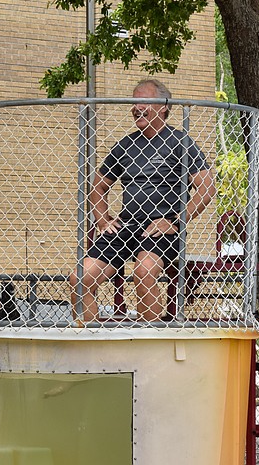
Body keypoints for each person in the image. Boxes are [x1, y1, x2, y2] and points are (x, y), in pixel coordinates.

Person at [71, 79, 215, 322]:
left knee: (144, 271)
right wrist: (102, 221)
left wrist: (176, 221)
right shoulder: (125, 145)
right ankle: (90, 344)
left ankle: (150, 340)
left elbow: (207, 187)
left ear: (163, 107)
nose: (137, 107)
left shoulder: (180, 142)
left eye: (144, 101)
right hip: (126, 225)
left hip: (160, 227)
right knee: (80, 278)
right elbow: (98, 186)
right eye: (134, 102)